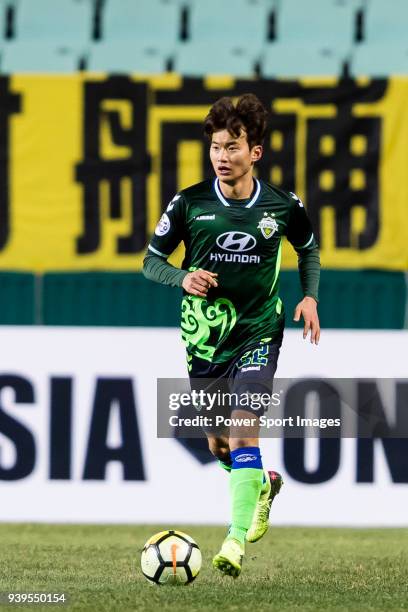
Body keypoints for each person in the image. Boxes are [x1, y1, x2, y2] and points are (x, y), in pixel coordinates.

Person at [143, 93, 320, 577]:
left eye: (233, 147)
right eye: (216, 147)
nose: (222, 157)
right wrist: (182, 278)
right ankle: (261, 484)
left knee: (244, 425)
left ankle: (235, 540)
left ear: (254, 152)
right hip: (206, 339)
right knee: (220, 444)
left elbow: (308, 249)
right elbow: (150, 262)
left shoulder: (282, 206)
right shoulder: (189, 202)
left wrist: (309, 297)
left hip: (261, 329)